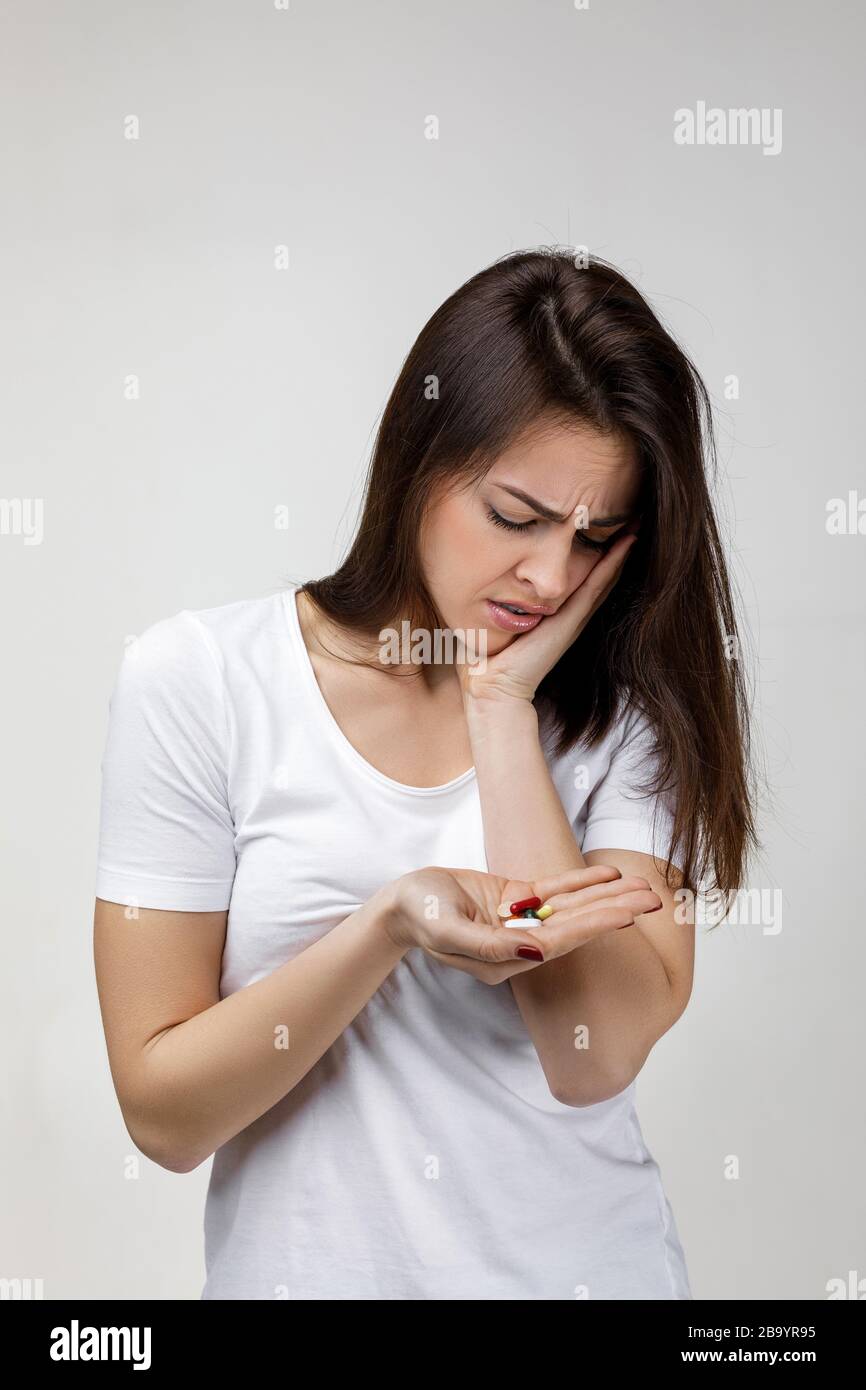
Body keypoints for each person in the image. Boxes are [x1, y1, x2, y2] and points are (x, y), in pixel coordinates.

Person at [93, 249, 757, 1300]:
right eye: (515, 516)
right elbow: (164, 1116)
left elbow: (587, 1056)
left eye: (595, 537)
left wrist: (499, 712)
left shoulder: (624, 715)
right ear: (419, 461)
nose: (549, 576)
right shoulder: (202, 682)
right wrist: (387, 926)